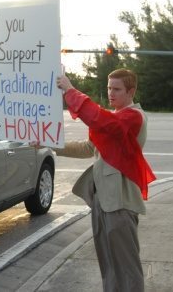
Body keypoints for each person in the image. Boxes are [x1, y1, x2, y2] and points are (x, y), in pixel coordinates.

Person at [55, 68, 156, 292]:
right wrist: (50, 143)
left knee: (126, 266)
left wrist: (71, 91)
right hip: (103, 199)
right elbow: (88, 147)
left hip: (120, 201)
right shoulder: (114, 117)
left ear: (131, 91)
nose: (111, 93)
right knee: (108, 264)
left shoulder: (133, 116)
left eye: (117, 89)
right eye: (109, 88)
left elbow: (98, 119)